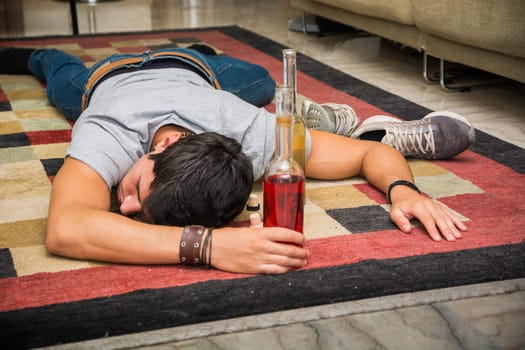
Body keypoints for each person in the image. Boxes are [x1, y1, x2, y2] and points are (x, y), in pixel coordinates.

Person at [0, 46, 472, 275]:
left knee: (261, 80)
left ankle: (304, 113)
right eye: (140, 197)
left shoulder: (251, 131)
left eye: (136, 201)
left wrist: (405, 190)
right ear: (158, 150)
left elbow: (372, 152)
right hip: (104, 78)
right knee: (57, 68)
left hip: (194, 68)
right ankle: (41, 52)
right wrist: (208, 247)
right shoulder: (108, 131)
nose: (121, 206)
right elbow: (66, 229)